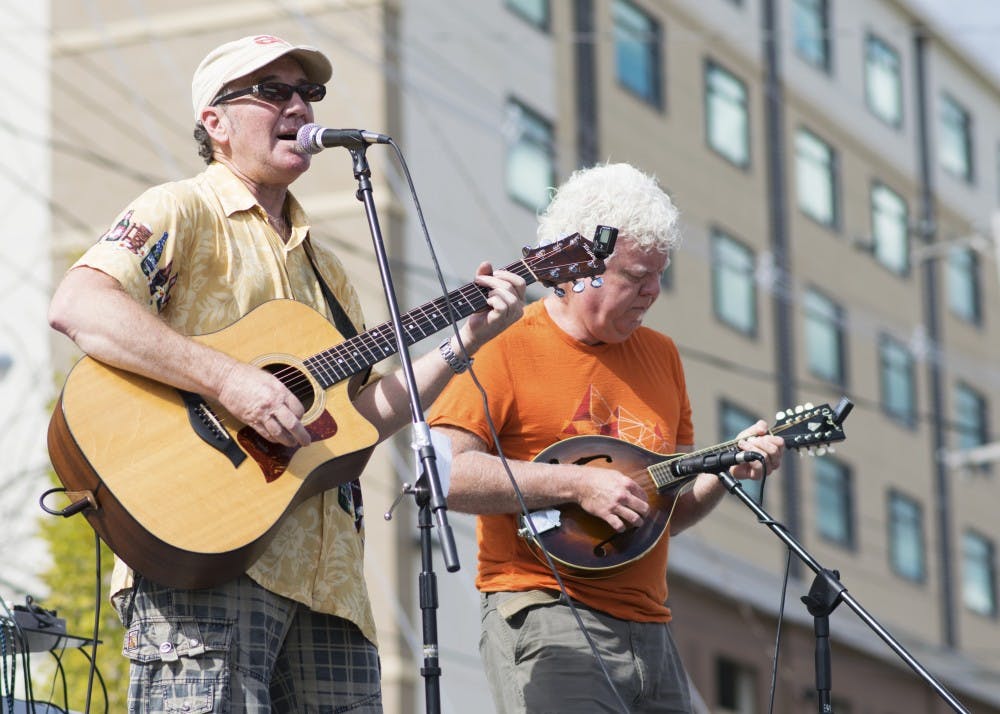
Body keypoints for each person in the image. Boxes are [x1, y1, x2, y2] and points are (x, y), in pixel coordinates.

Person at [47, 34, 526, 712]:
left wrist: (465, 342)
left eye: (310, 93)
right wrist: (229, 380)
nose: (300, 106)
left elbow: (362, 420)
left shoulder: (329, 274)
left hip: (331, 589)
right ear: (214, 122)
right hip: (205, 548)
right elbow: (80, 305)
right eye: (274, 91)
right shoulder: (179, 210)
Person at [428, 163, 785, 713]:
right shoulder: (505, 342)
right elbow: (448, 473)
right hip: (545, 612)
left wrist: (722, 472)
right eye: (636, 277)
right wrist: (576, 484)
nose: (653, 292)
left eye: (659, 276)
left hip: (654, 629)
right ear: (576, 269)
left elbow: (663, 514)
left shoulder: (662, 356)